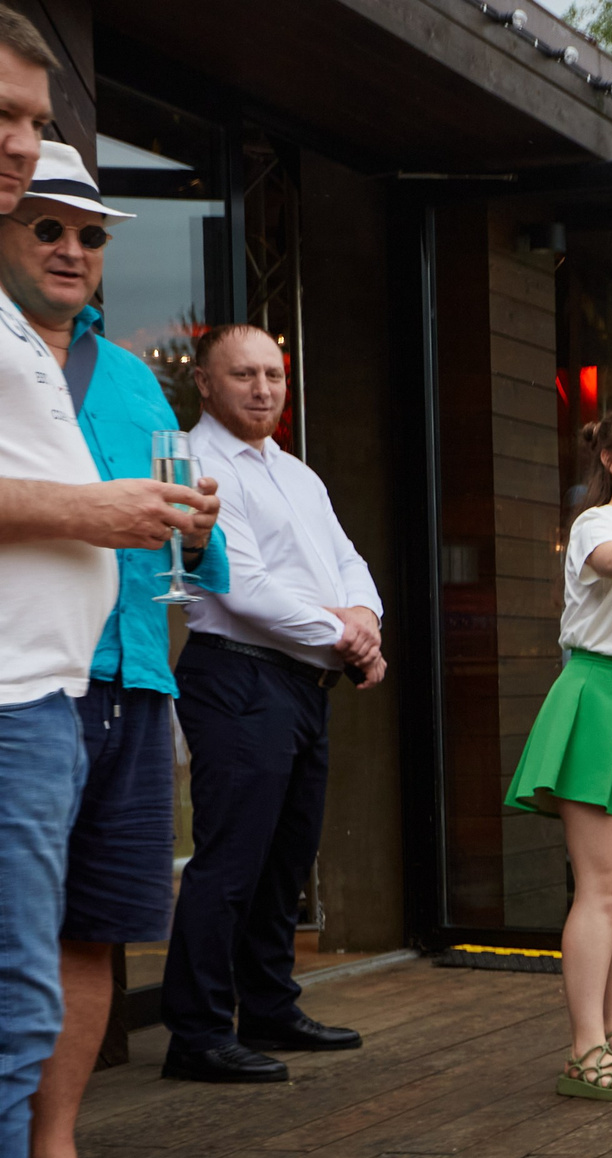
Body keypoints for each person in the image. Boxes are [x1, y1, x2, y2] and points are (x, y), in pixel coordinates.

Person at [0, 1, 203, 1158]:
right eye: (4, 123)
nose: (25, 159)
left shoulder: (110, 371)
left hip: (79, 692)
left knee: (68, 962)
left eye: (31, 125)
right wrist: (108, 509)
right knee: (9, 1011)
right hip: (20, 704)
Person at [4, 142, 231, 1158]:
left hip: (135, 677)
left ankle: (55, 1154)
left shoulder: (138, 377)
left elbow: (177, 537)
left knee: (93, 924)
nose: (71, 248)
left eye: (89, 235)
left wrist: (201, 531)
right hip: (22, 681)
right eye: (47, 225)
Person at [162, 324, 384, 1083]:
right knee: (231, 860)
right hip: (237, 675)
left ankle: (267, 1005)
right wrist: (347, 636)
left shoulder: (295, 471)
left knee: (284, 858)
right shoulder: (195, 463)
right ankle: (195, 1031)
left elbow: (347, 560)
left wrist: (365, 619)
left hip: (301, 683)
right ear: (204, 383)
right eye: (243, 375)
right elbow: (240, 585)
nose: (262, 389)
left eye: (273, 375)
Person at [503, 404, 612, 1102]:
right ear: (610, 459)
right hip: (600, 694)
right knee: (603, 887)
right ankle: (583, 1047)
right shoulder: (594, 524)